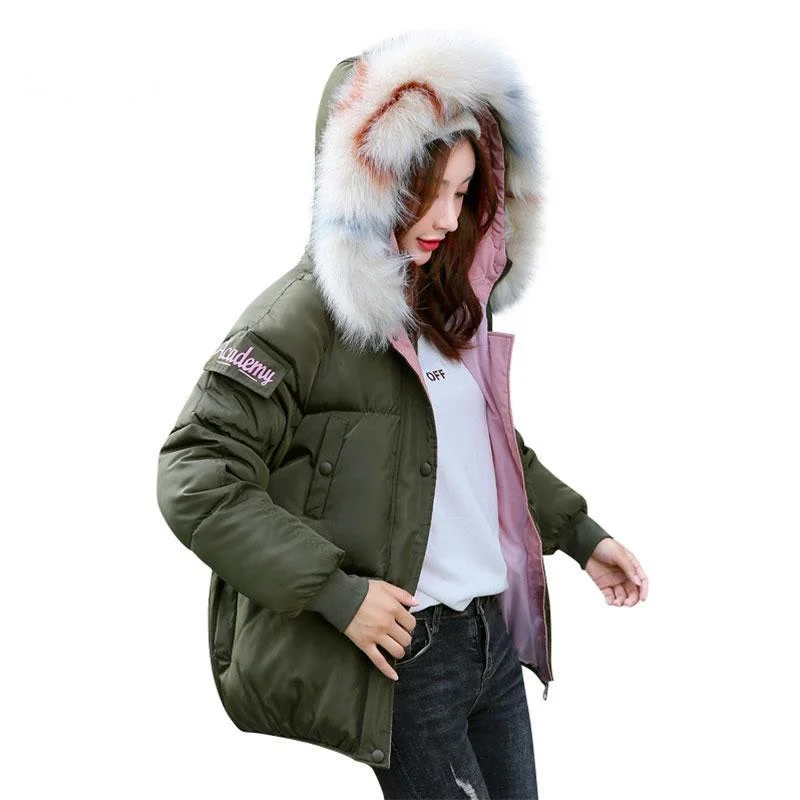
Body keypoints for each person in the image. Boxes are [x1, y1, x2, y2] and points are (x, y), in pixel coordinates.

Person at [156, 29, 649, 800]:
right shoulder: (299, 319)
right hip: (413, 658)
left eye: (465, 193)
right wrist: (337, 593)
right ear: (373, 180)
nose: (449, 217)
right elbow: (194, 475)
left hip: (491, 644)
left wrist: (582, 536)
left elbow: (486, 451)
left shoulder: (445, 307)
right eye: (432, 190)